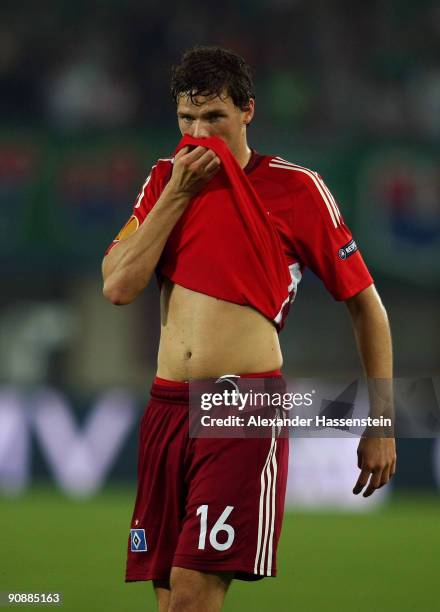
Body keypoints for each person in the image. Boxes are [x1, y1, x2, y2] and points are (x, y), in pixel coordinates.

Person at [102, 46, 396, 612]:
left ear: (247, 112)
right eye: (187, 119)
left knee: (192, 598)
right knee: (168, 602)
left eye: (213, 116)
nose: (199, 132)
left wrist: (381, 422)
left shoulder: (298, 189)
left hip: (241, 410)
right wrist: (178, 194)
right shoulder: (164, 179)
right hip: (165, 407)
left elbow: (368, 308)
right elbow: (118, 286)